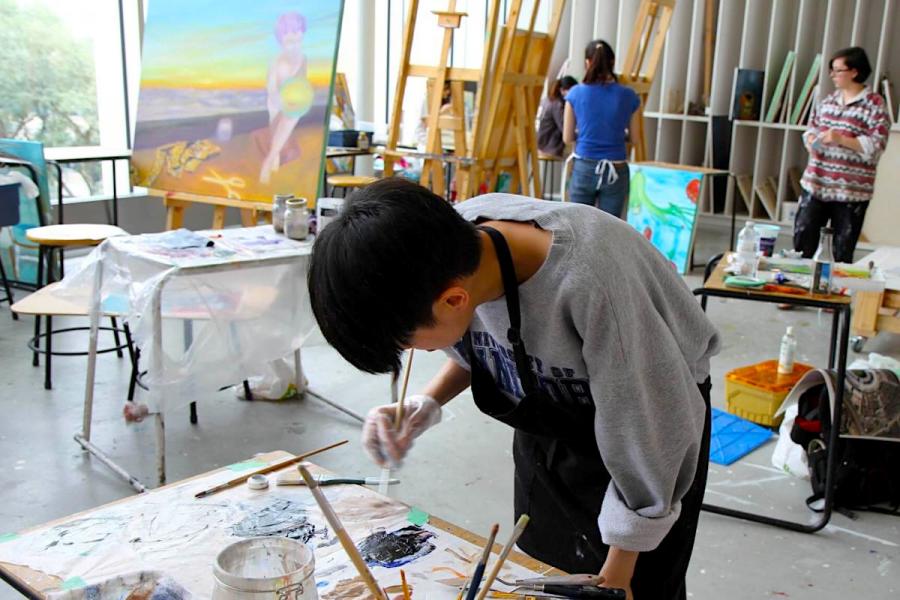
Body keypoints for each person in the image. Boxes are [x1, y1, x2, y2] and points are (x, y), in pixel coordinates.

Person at [308, 178, 721, 600]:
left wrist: (617, 573)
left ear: (453, 300)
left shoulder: (594, 286)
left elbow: (650, 440)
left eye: (410, 342)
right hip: (554, 419)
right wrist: (427, 402)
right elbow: (487, 338)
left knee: (638, 586)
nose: (416, 351)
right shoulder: (452, 249)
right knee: (543, 569)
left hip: (652, 431)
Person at [794, 46, 890, 263]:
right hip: (816, 183)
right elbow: (811, 128)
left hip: (851, 192)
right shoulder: (828, 101)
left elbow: (877, 145)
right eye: (832, 70)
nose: (832, 75)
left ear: (854, 72)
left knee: (841, 253)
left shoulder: (875, 105)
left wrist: (841, 139)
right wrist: (811, 140)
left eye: (838, 70)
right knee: (802, 244)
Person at [563, 40, 640, 218]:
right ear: (612, 62)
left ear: (587, 62)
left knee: (579, 225)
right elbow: (635, 139)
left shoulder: (575, 93)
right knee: (609, 228)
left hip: (584, 167)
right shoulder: (629, 95)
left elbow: (567, 137)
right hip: (616, 168)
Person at [260, 12, 310, 184]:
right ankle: (271, 159)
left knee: (288, 123)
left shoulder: (303, 58)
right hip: (276, 101)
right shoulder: (277, 61)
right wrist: (279, 102)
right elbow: (271, 89)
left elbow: (303, 83)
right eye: (288, 32)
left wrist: (299, 99)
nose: (293, 35)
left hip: (294, 102)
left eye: (296, 30)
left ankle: (270, 160)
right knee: (278, 131)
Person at [538, 76, 578, 158]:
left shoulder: (546, 100)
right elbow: (565, 128)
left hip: (538, 144)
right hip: (549, 147)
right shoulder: (558, 105)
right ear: (562, 90)